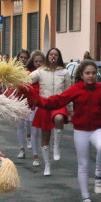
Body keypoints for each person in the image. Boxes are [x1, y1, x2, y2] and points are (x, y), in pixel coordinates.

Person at [35, 60, 101, 202]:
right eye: (87, 73)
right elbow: (57, 101)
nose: (91, 76)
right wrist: (37, 101)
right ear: (81, 75)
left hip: (97, 129)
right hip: (81, 131)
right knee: (82, 165)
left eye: (94, 73)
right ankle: (85, 198)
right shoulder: (75, 89)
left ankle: (98, 177)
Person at [29, 48, 71, 176]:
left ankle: (56, 146)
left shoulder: (64, 72)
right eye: (51, 54)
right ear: (48, 56)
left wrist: (70, 108)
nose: (53, 56)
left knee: (59, 119)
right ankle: (47, 164)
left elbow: (69, 91)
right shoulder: (40, 71)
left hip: (58, 103)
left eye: (56, 55)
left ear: (59, 57)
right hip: (44, 104)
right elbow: (27, 79)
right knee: (45, 136)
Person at [26, 51, 45, 167]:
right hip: (33, 104)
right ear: (32, 62)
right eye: (36, 61)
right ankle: (35, 156)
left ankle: (45, 153)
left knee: (45, 131)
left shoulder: (47, 72)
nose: (38, 63)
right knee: (34, 131)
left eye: (41, 61)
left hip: (45, 104)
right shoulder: (29, 74)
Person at [14, 50, 32, 159]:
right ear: (18, 58)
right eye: (21, 57)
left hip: (30, 100)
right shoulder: (13, 70)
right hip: (18, 100)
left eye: (25, 57)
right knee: (20, 125)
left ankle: (29, 138)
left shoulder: (32, 71)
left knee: (30, 122)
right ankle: (21, 149)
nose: (23, 59)